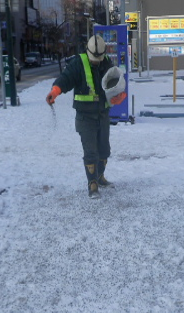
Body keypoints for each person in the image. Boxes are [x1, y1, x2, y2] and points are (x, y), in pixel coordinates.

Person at [46, 35, 127, 199]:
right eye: (94, 58)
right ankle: (92, 184)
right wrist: (55, 92)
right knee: (91, 152)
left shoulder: (106, 64)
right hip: (85, 117)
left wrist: (118, 96)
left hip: (102, 115)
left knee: (104, 150)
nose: (97, 61)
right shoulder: (78, 63)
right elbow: (65, 79)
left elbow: (113, 85)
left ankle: (100, 177)